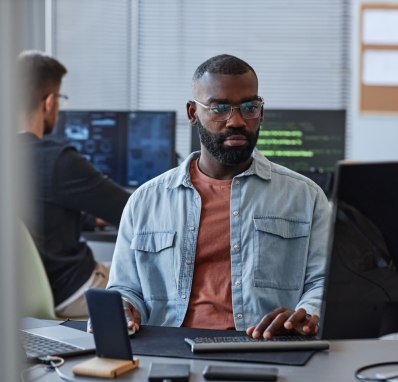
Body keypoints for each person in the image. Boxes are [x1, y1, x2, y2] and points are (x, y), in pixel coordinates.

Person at [107, 54, 330, 339]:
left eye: (249, 107)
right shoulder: (145, 201)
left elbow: (323, 283)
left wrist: (308, 314)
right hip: (167, 348)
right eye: (219, 108)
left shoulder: (305, 197)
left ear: (261, 112)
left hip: (268, 346)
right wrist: (124, 308)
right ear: (192, 113)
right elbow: (125, 288)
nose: (236, 121)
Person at [17, 50, 131, 318]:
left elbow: (36, 212)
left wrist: (91, 219)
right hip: (72, 291)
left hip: (20, 295)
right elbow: (133, 209)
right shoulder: (56, 159)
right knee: (152, 285)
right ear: (48, 102)